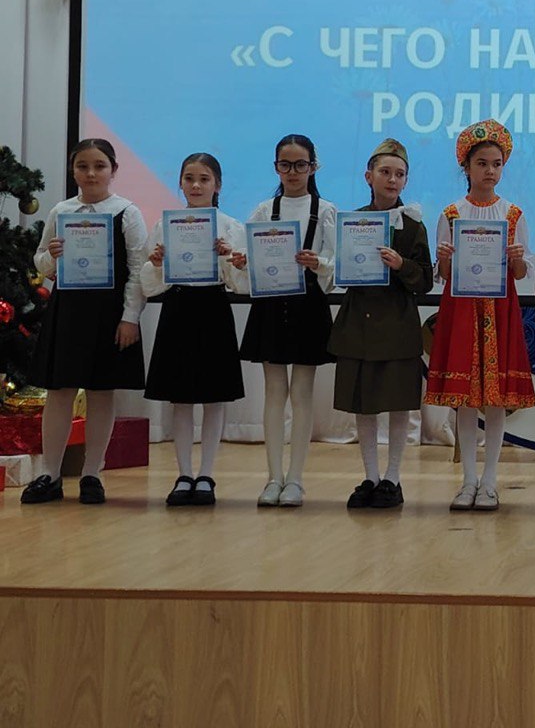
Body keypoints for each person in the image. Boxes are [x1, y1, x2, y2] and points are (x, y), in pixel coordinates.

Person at [21, 139, 147, 505]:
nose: (91, 174)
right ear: (73, 170)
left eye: (99, 166)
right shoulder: (62, 210)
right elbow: (41, 261)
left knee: (101, 391)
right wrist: (51, 257)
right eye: (83, 166)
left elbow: (138, 269)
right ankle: (50, 474)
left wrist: (130, 318)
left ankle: (92, 473)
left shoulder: (127, 212)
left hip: (109, 314)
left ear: (113, 170)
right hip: (68, 311)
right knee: (59, 392)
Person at [425, 120, 535, 511]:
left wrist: (517, 259)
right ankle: (468, 480)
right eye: (482, 163)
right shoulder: (452, 213)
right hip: (462, 310)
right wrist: (444, 259)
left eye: (496, 164)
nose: (490, 171)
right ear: (467, 167)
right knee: (466, 398)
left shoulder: (513, 214)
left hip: (499, 309)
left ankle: (490, 480)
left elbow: (520, 274)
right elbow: (443, 274)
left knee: (496, 398)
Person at [236, 133, 337, 508]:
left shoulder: (325, 211)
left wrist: (318, 263)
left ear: (313, 167)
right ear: (276, 167)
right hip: (270, 306)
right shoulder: (264, 211)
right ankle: (273, 477)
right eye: (285, 164)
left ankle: (296, 479)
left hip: (308, 305)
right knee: (274, 392)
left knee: (303, 393)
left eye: (300, 165)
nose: (293, 172)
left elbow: (336, 265)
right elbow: (247, 256)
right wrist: (243, 261)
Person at [331, 139, 432, 510]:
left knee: (398, 404)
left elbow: (425, 280)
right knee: (365, 404)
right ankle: (370, 475)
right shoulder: (352, 222)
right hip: (359, 323)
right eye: (385, 172)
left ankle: (393, 476)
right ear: (368, 176)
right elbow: (339, 271)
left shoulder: (413, 226)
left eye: (399, 174)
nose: (392, 179)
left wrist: (401, 265)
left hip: (397, 325)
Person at [141, 153, 247, 507]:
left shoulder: (230, 226)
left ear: (218, 185)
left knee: (215, 397)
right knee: (181, 397)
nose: (196, 185)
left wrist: (229, 257)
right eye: (189, 178)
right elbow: (150, 284)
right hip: (178, 308)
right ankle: (184, 473)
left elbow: (241, 283)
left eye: (204, 179)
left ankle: (206, 474)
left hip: (214, 307)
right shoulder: (164, 225)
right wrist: (157, 263)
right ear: (180, 183)